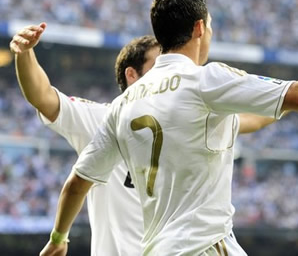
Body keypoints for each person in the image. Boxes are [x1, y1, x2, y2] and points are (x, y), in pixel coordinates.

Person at [39, 0, 298, 256]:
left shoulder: (122, 106)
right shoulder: (205, 79)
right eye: (210, 26)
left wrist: (59, 238)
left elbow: (77, 183)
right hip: (205, 246)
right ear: (199, 28)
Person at [11, 23, 279, 255]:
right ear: (132, 75)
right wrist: (24, 54)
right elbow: (43, 97)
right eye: (156, 64)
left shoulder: (187, 118)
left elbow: (253, 117)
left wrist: (288, 98)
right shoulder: (100, 118)